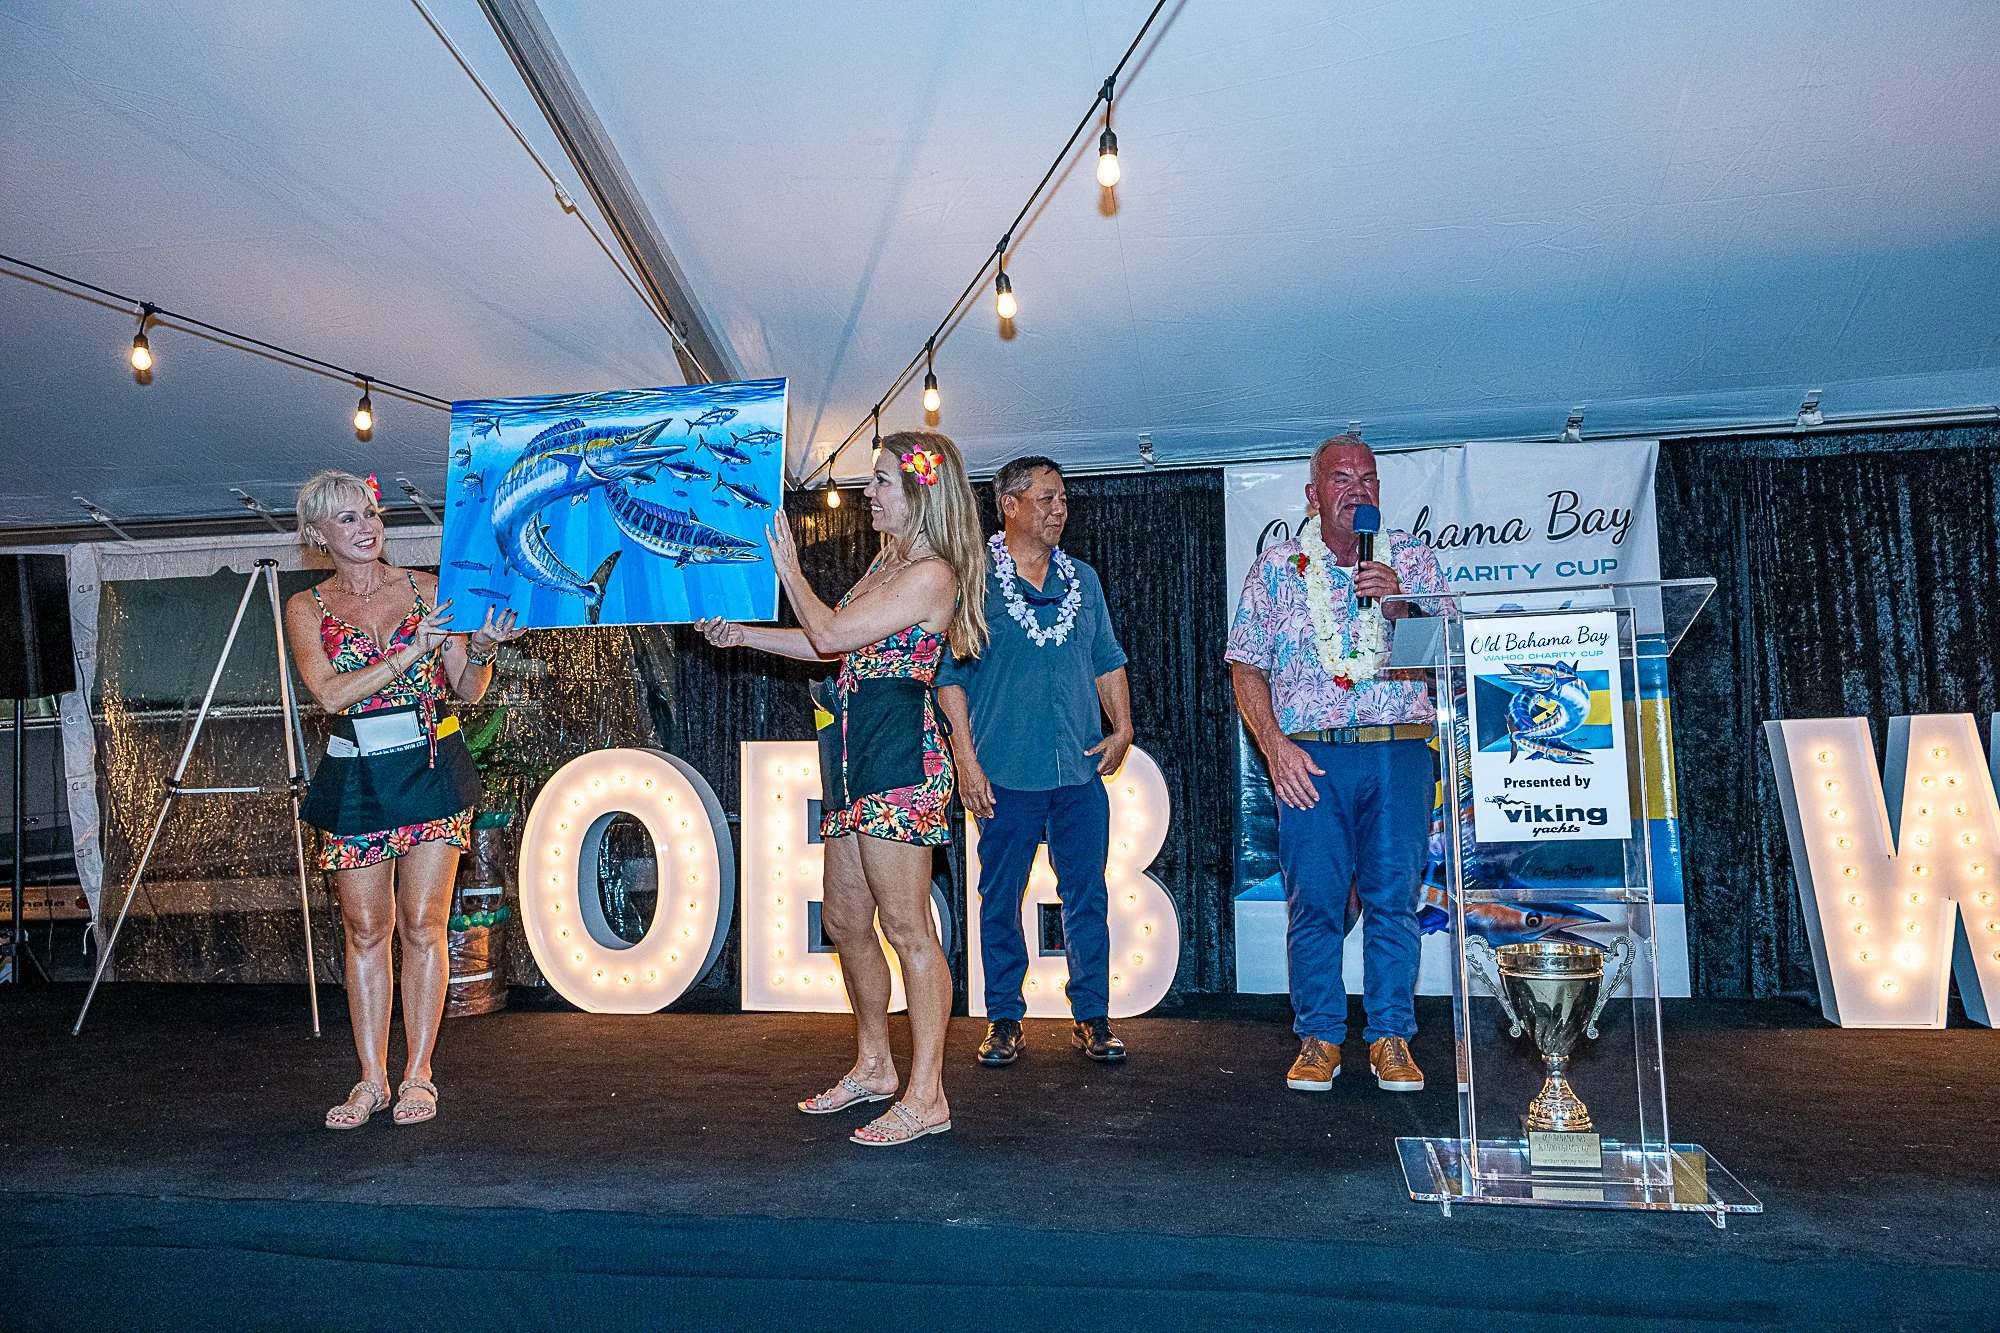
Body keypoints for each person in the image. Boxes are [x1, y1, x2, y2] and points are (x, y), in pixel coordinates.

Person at [697, 430, 988, 1146]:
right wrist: (743, 635)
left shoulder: (932, 574)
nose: (869, 492)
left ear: (919, 493)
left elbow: (827, 633)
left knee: (909, 928)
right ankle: (876, 1066)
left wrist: (788, 568)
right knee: (846, 922)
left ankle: (928, 1095)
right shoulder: (885, 565)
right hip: (854, 751)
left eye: (882, 480)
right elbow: (830, 643)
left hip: (900, 754)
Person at [287, 470, 523, 1129]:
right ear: (318, 535)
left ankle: (419, 1073)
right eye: (347, 519)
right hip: (357, 778)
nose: (366, 527)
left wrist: (481, 649)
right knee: (366, 929)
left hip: (431, 769)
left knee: (423, 924)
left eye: (370, 513)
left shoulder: (428, 588)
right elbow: (331, 694)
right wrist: (409, 653)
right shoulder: (307, 606)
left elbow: (468, 688)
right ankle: (371, 1079)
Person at [1225, 436, 1450, 1093]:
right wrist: (1275, 747)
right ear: (1313, 494)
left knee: (1394, 901)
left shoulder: (1411, 558)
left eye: (1368, 478)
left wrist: (1402, 603)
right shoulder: (1276, 566)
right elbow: (1246, 666)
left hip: (1399, 750)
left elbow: (1450, 653)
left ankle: (1390, 1036)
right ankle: (1320, 1035)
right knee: (1316, 902)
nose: (1357, 488)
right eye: (1341, 477)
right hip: (1311, 756)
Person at [936, 456, 1133, 1066]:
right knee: (1000, 898)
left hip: (1078, 769)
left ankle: (1093, 1016)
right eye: (1046, 498)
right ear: (1010, 505)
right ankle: (1003, 1019)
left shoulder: (1084, 580)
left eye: (1063, 499)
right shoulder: (974, 582)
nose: (1059, 509)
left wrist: (1123, 726)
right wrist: (967, 762)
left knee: (1087, 896)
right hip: (1005, 772)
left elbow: (1107, 658)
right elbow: (950, 678)